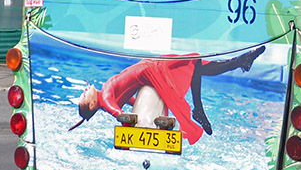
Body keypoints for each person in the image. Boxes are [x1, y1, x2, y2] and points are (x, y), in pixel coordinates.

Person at [69, 45, 265, 143]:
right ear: (93, 105)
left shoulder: (107, 92)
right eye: (84, 95)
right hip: (150, 71)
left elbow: (129, 98)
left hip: (147, 66)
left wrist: (140, 106)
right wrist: (122, 117)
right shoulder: (106, 98)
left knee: (197, 64)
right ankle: (198, 108)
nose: (85, 90)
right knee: (195, 60)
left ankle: (239, 62)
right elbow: (114, 108)